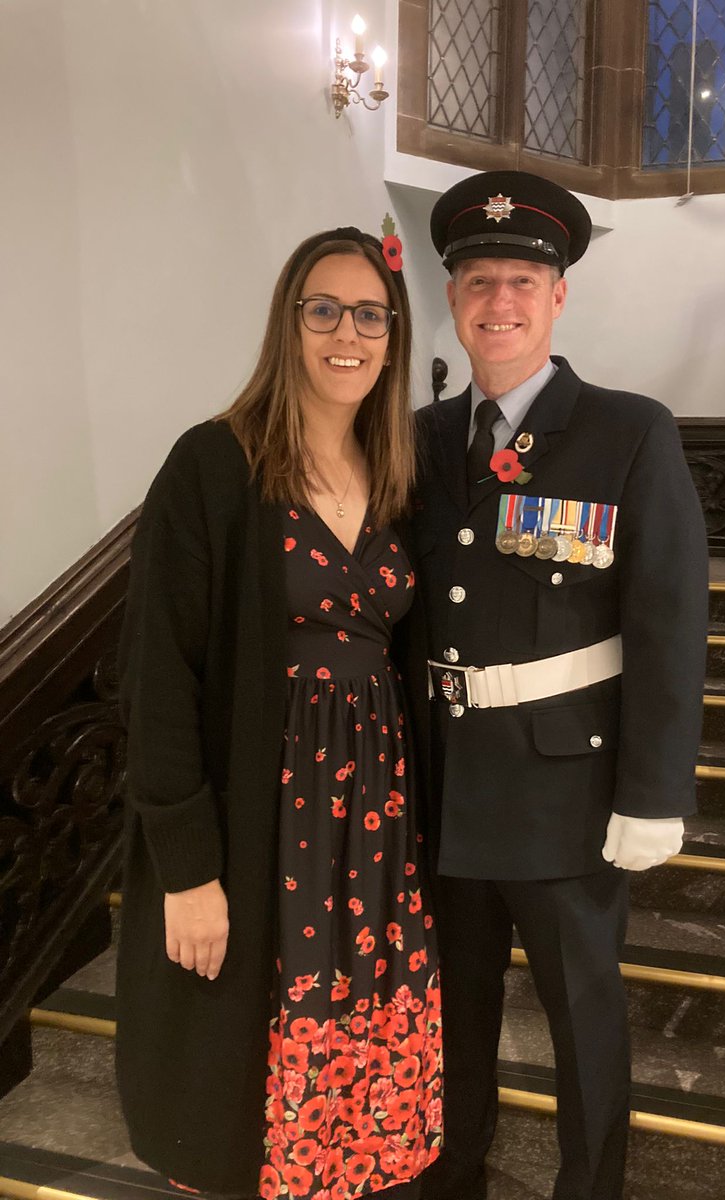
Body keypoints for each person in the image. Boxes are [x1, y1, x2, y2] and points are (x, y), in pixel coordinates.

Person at [116, 225, 443, 1200]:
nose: (349, 332)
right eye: (325, 309)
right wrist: (188, 867)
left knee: (355, 1089)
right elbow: (159, 673)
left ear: (393, 335)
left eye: (371, 315)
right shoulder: (216, 465)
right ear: (290, 324)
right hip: (261, 819)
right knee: (222, 1087)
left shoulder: (398, 483)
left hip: (373, 830)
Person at [407, 172, 708, 1200]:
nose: (500, 301)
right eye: (480, 280)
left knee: (585, 1016)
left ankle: (591, 1186)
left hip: (568, 797)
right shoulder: (419, 441)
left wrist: (654, 793)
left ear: (559, 297)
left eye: (522, 281)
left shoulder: (628, 432)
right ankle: (455, 1172)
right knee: (457, 1011)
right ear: (453, 299)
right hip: (445, 791)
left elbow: (668, 623)